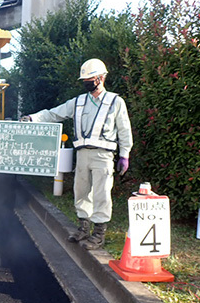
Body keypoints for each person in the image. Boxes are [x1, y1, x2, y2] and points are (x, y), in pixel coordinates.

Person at [21, 58, 133, 250]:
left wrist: (125, 154)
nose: (86, 82)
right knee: (81, 191)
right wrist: (33, 118)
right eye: (85, 80)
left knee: (101, 193)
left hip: (103, 156)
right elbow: (54, 113)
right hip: (82, 155)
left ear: (101, 78)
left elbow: (124, 130)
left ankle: (99, 234)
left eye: (90, 78)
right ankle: (83, 227)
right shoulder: (79, 102)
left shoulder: (115, 101)